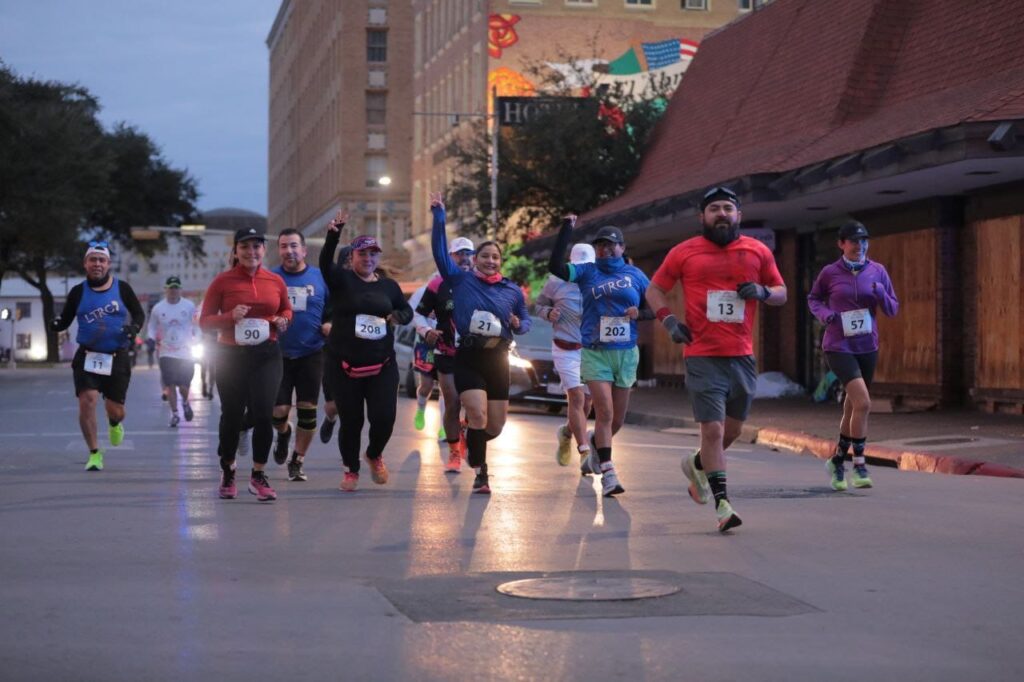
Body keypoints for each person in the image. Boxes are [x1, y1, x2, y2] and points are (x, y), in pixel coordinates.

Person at [646, 186, 787, 532]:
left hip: (741, 356)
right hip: (702, 354)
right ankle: (723, 503)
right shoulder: (685, 252)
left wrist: (763, 292)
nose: (721, 214)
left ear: (738, 214)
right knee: (712, 429)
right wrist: (668, 321)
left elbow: (782, 293)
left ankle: (698, 465)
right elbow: (654, 289)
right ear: (702, 217)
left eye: (728, 208)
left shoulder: (757, 251)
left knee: (732, 430)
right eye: (714, 209)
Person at [430, 193, 531, 494]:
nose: (490, 261)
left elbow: (525, 322)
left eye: (495, 257)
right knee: (477, 413)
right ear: (475, 260)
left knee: (494, 426)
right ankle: (481, 473)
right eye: (485, 256)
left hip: (498, 359)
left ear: (501, 261)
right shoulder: (460, 281)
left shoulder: (511, 290)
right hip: (469, 357)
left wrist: (518, 324)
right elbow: (439, 253)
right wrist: (439, 217)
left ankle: (471, 440)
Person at [548, 219, 650, 497]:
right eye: (600, 246)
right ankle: (608, 472)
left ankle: (596, 444)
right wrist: (566, 230)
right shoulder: (586, 272)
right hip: (594, 351)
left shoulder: (636, 275)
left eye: (610, 245)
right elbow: (555, 268)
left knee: (616, 420)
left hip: (626, 353)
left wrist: (639, 313)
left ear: (621, 247)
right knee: (603, 412)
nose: (604, 250)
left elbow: (653, 306)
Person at [320, 211, 414, 492]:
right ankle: (351, 470)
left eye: (374, 255)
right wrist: (333, 235)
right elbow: (325, 262)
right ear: (353, 258)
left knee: (384, 418)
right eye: (363, 254)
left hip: (382, 365)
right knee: (352, 421)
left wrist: (398, 316)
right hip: (345, 365)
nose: (368, 259)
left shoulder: (389, 286)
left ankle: (374, 454)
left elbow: (407, 310)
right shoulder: (342, 281)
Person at [199, 227, 292, 502]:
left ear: (264, 250)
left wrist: (284, 319)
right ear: (236, 251)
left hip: (267, 354)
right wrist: (230, 317)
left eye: (256, 247)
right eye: (245, 247)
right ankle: (228, 469)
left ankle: (258, 475)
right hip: (231, 356)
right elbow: (205, 322)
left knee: (264, 413)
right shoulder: (223, 281)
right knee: (232, 415)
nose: (251, 252)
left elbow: (286, 309)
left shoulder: (274, 280)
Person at [808, 220, 899, 491]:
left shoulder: (878, 271)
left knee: (852, 405)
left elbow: (893, 309)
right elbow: (813, 298)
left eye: (863, 241)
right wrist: (825, 315)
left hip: (867, 346)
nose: (859, 246)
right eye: (853, 241)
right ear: (842, 244)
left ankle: (837, 461)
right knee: (863, 403)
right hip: (838, 345)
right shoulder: (830, 272)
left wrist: (882, 294)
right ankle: (859, 463)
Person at [51, 241, 145, 471]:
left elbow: (138, 314)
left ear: (108, 264)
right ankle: (94, 453)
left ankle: (114, 423)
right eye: (92, 259)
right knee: (87, 400)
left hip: (117, 356)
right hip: (88, 355)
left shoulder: (122, 288)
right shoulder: (77, 292)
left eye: (101, 260)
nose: (97, 264)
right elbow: (65, 319)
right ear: (85, 264)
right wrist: (55, 324)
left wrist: (133, 329)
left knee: (115, 409)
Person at [269, 228, 331, 482]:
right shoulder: (271, 278)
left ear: (304, 250)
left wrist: (331, 323)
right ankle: (283, 433)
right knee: (278, 411)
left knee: (307, 410)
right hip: (278, 354)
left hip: (312, 353)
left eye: (294, 246)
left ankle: (297, 459)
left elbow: (336, 308)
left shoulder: (320, 278)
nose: (289, 251)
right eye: (283, 246)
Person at [413, 237, 476, 472]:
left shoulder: (482, 282)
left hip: (475, 354)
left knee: (473, 405)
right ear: (450, 258)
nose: (465, 258)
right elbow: (418, 314)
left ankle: (466, 434)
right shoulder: (437, 284)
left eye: (469, 253)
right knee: (452, 401)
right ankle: (454, 453)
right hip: (445, 351)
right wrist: (427, 330)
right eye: (460, 253)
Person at [535, 242, 596, 469]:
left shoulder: (599, 284)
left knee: (587, 404)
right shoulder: (555, 283)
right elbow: (539, 306)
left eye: (586, 266)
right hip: (565, 348)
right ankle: (584, 451)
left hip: (591, 350)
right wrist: (549, 312)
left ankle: (566, 432)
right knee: (577, 399)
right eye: (578, 266)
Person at [146, 276, 198, 427]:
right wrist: (150, 338)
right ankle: (175, 414)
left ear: (180, 289)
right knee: (170, 385)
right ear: (166, 289)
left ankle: (186, 402)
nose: (173, 291)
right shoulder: (158, 308)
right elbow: (152, 327)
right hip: (166, 352)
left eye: (176, 288)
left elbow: (196, 325)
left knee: (183, 386)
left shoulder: (189, 306)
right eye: (171, 288)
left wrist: (199, 337)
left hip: (186, 352)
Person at [318, 244, 350, 445]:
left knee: (352, 404)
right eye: (346, 260)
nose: (350, 264)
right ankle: (330, 419)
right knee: (333, 405)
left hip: (359, 351)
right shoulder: (328, 286)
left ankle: (349, 444)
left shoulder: (370, 284)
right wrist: (326, 324)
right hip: (331, 350)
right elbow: (317, 313)